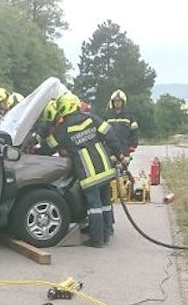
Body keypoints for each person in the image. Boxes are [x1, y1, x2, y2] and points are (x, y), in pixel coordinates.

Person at [43, 92, 116, 247]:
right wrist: (120, 154)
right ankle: (107, 233)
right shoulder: (90, 118)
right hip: (105, 167)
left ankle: (97, 240)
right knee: (105, 203)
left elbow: (49, 147)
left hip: (89, 174)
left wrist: (37, 148)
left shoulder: (64, 128)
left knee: (94, 207)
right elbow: (110, 133)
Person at [102, 89, 140, 164]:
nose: (117, 102)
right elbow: (102, 132)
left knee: (124, 171)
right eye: (115, 101)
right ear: (112, 102)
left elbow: (135, 132)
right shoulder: (107, 115)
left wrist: (133, 146)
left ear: (123, 102)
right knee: (111, 169)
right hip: (110, 149)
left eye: (119, 101)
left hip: (125, 148)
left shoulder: (129, 115)